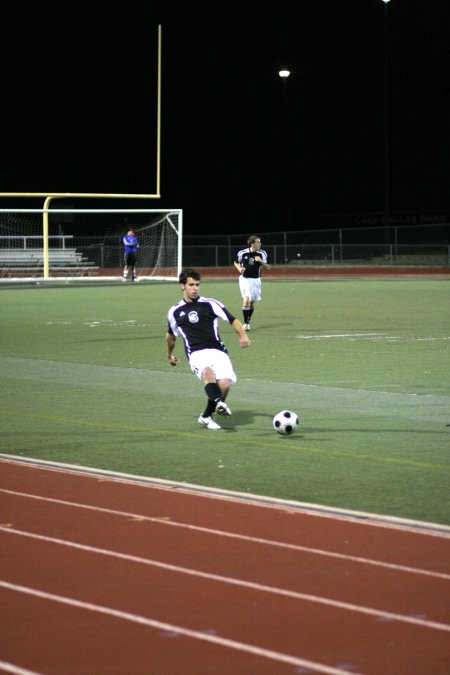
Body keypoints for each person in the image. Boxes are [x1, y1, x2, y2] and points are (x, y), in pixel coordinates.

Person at [166, 268, 251, 430]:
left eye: (197, 284)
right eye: (191, 285)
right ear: (182, 286)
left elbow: (233, 320)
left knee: (225, 384)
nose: (195, 288)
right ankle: (219, 402)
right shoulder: (174, 311)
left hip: (218, 350)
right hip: (196, 353)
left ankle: (206, 416)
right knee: (207, 373)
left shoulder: (211, 303)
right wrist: (170, 354)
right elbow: (170, 335)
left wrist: (242, 335)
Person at [233, 234, 270, 330]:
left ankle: (248, 321)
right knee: (247, 299)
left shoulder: (262, 253)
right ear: (252, 244)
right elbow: (236, 262)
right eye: (258, 242)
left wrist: (261, 261)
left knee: (252, 302)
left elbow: (268, 267)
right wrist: (239, 268)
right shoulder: (242, 253)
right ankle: (245, 324)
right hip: (245, 279)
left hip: (256, 280)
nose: (260, 244)